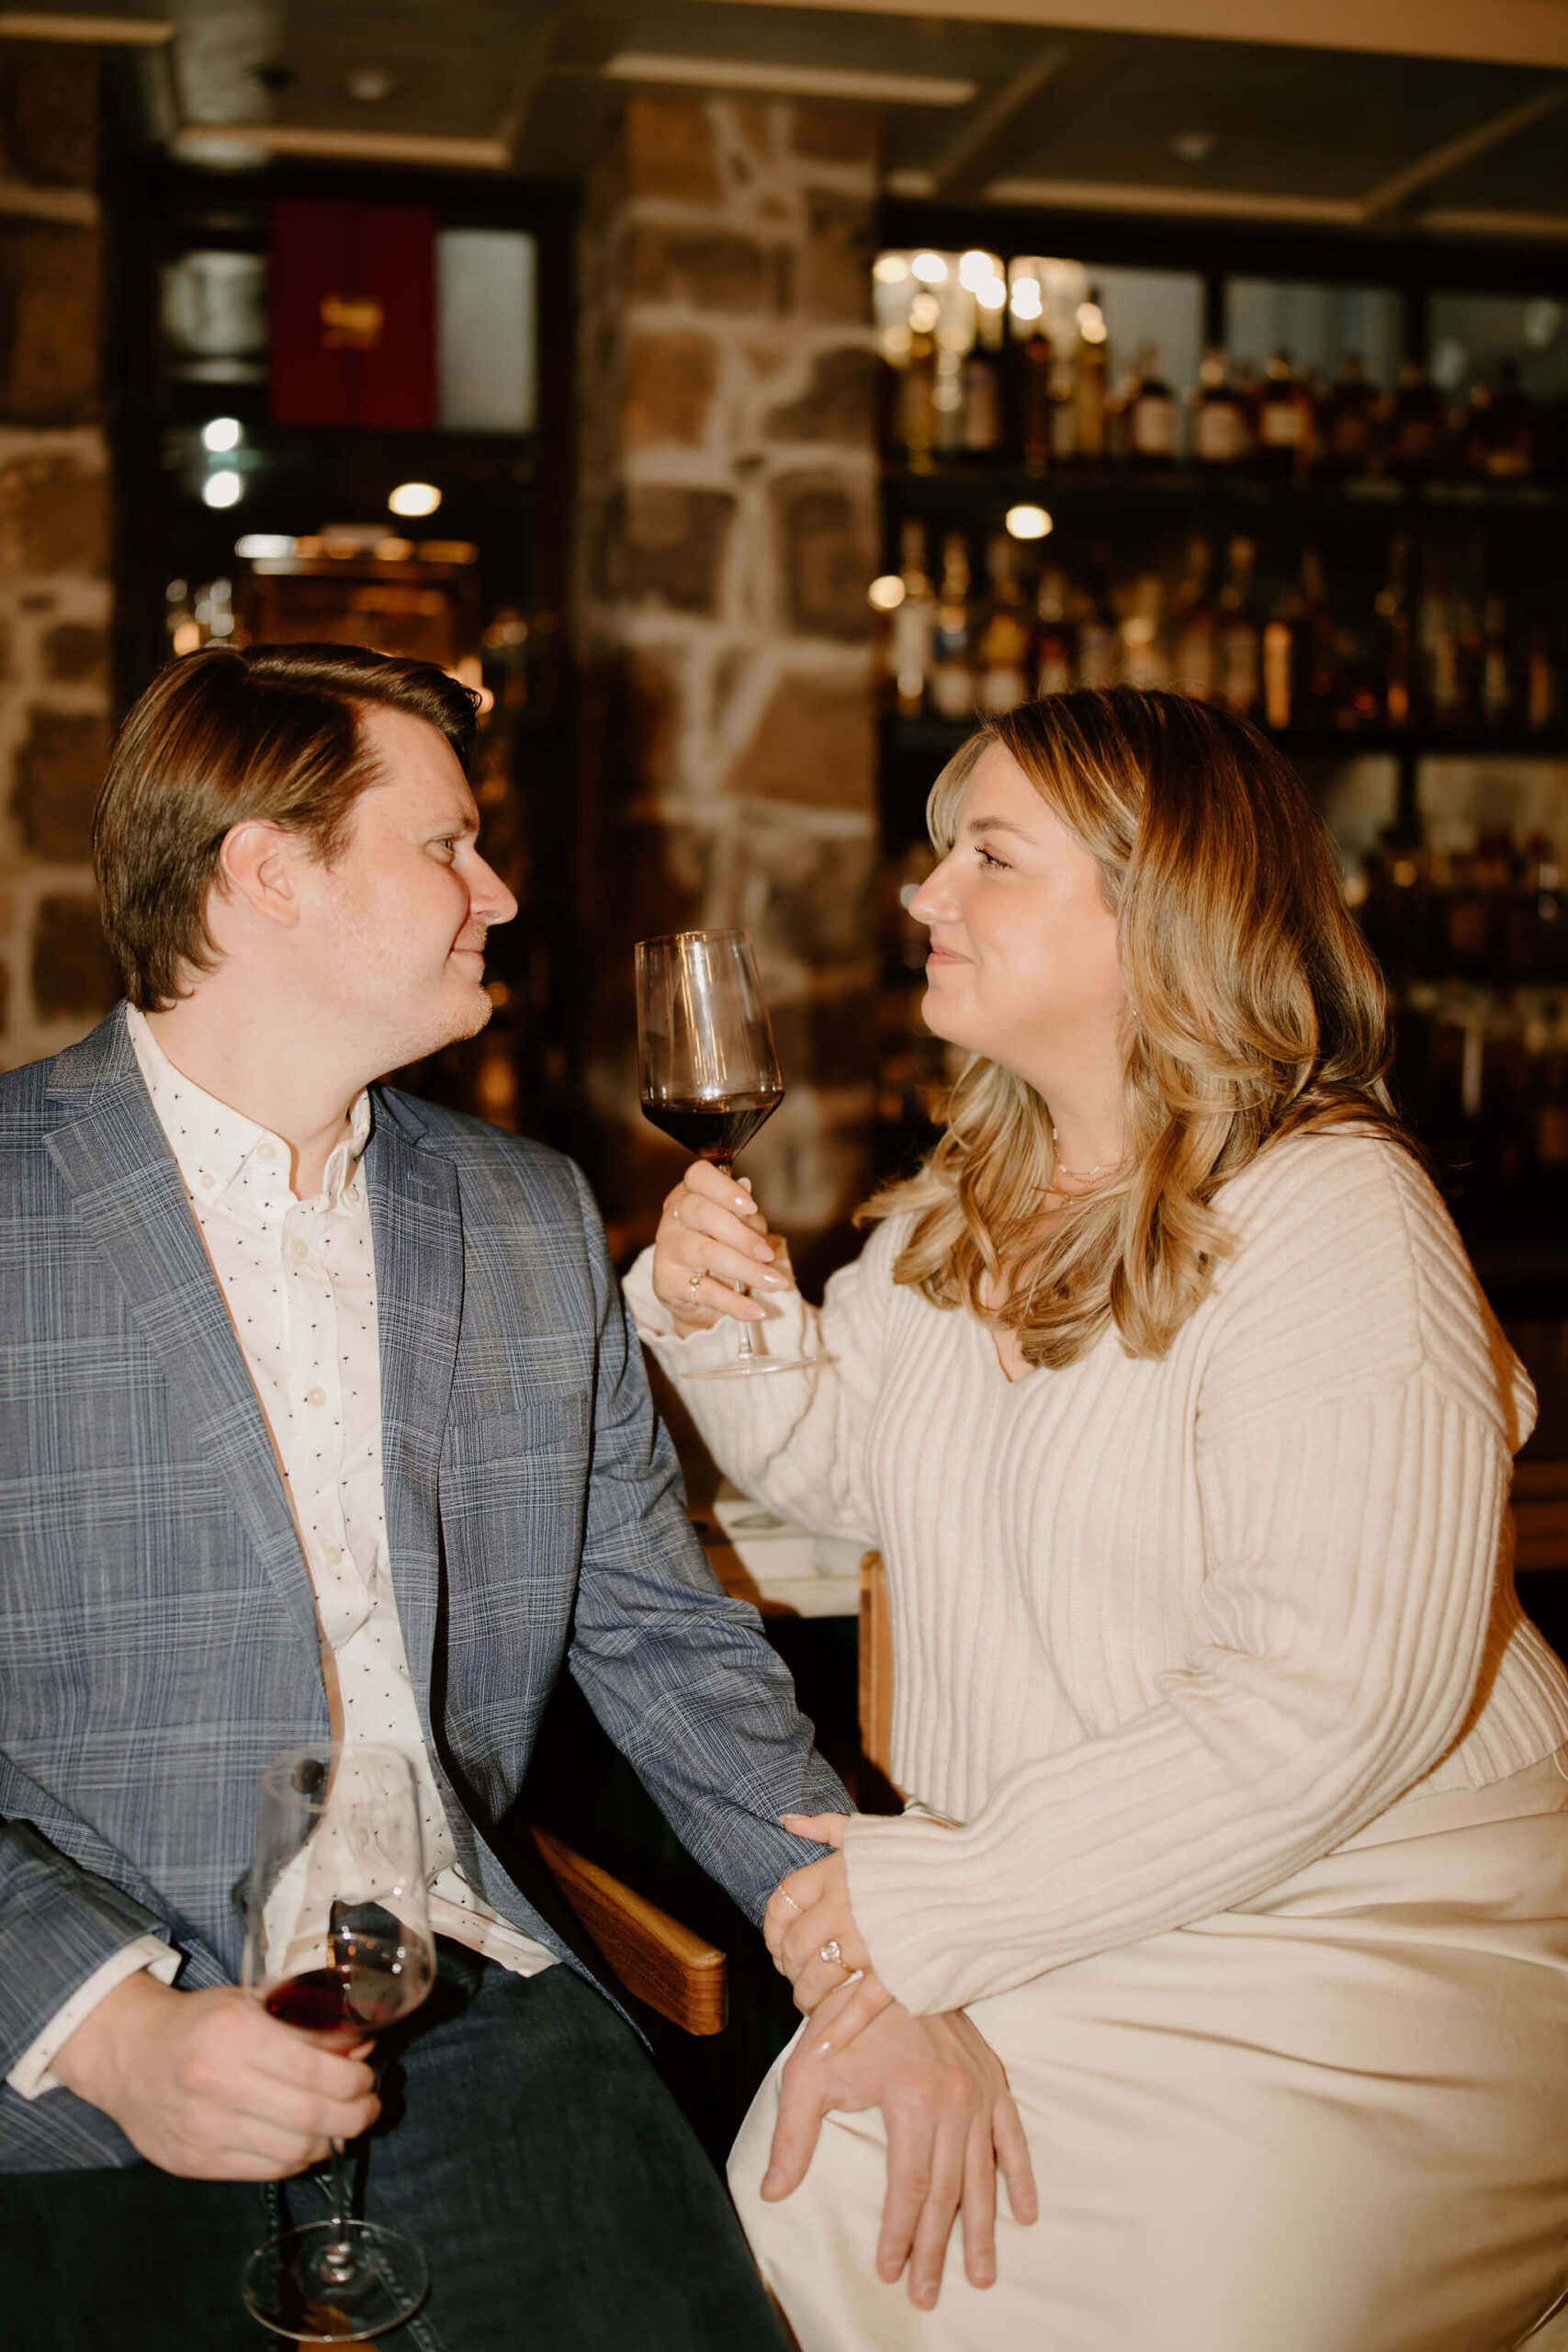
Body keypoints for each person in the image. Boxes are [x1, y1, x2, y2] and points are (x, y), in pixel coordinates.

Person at [0, 642, 1015, 2349]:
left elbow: (663, 1639)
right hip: (77, 2070)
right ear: (267, 871)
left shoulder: (525, 1218)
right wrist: (106, 2028)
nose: (501, 890)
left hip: (472, 2002)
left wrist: (861, 1945)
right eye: (446, 845)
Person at [626, 685, 1568, 2352]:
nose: (923, 896)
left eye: (987, 856)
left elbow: (1335, 1701)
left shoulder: (1337, 1216)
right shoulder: (966, 1200)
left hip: (1375, 1926)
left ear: (1165, 909)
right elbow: (850, 1471)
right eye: (937, 856)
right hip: (1092, 1898)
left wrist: (936, 1910)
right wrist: (733, 1316)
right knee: (816, 2172)